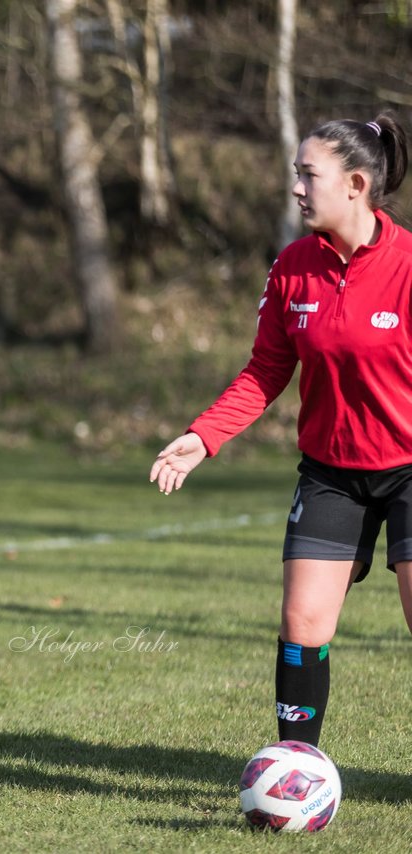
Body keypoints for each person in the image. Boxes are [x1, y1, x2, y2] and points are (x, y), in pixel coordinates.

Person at [151, 113, 412, 747]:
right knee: (302, 623)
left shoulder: (408, 265)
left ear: (355, 184)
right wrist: (204, 436)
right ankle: (296, 767)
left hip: (410, 469)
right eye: (296, 173)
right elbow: (266, 370)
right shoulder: (294, 265)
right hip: (331, 473)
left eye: (307, 175)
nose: (296, 187)